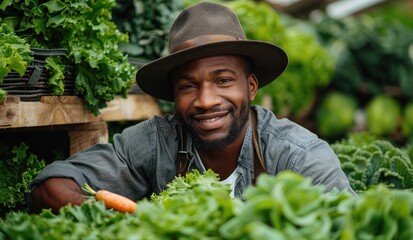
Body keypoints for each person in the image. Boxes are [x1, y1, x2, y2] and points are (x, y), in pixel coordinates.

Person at [28, 2, 355, 213]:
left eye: (224, 80)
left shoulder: (298, 156)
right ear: (174, 95)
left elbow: (350, 225)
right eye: (188, 85)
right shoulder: (156, 143)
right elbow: (52, 186)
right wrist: (127, 227)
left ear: (251, 86)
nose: (206, 100)